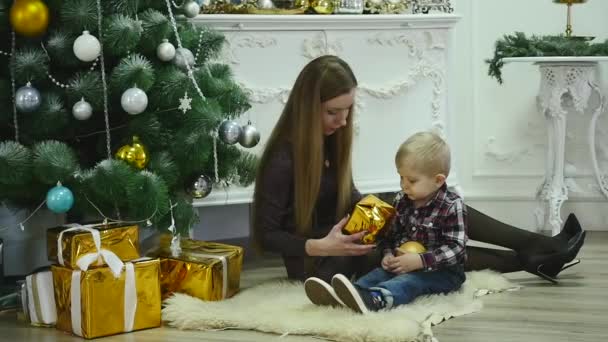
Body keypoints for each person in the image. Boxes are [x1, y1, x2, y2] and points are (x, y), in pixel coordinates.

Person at [251, 55, 585, 304]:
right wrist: (321, 245)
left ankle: (540, 247)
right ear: (308, 108)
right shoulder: (282, 157)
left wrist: (385, 208)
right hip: (319, 260)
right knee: (423, 246)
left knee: (433, 201)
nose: (342, 120)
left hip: (348, 234)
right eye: (332, 112)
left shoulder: (330, 140)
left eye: (348, 110)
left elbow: (346, 195)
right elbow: (266, 237)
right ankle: (536, 257)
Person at [318, 131, 467, 313]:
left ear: (438, 180)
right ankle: (352, 293)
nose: (404, 185)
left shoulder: (452, 205)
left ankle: (378, 299)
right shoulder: (401, 201)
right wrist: (388, 255)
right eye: (401, 177)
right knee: (378, 274)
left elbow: (457, 249)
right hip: (404, 263)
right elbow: (392, 236)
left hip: (444, 272)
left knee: (409, 282)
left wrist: (420, 261)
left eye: (411, 180)